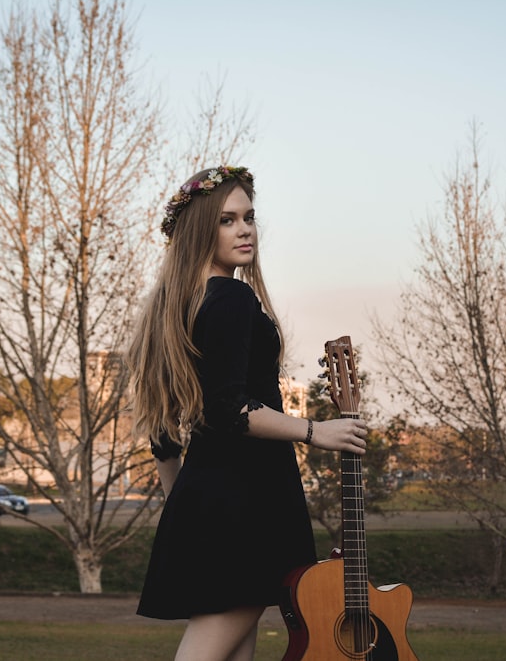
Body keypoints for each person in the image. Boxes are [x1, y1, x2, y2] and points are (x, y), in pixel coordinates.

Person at [127, 166, 369, 661]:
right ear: (200, 231)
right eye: (227, 220)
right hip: (245, 499)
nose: (245, 230)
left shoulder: (181, 306)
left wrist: (183, 510)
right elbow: (228, 407)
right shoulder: (232, 298)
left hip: (215, 499)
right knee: (208, 650)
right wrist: (314, 431)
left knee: (237, 652)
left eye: (249, 217)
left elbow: (162, 434)